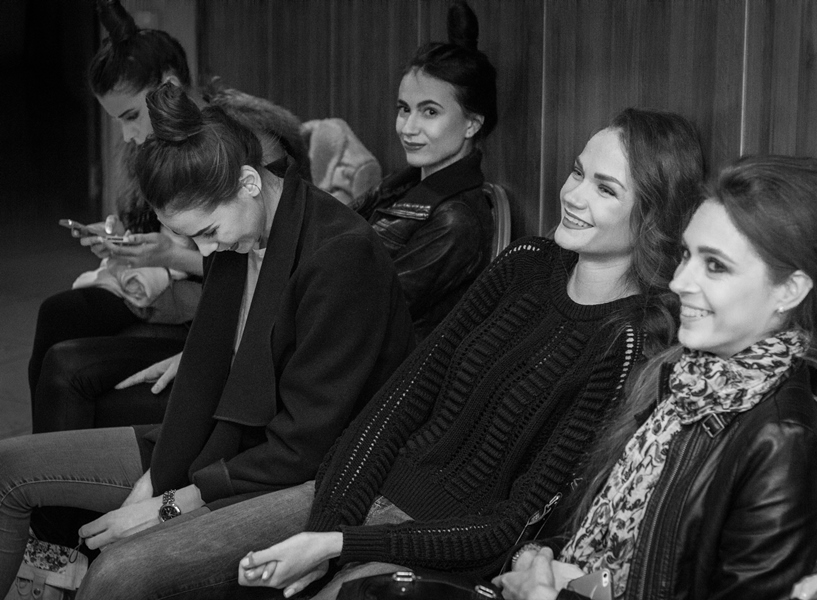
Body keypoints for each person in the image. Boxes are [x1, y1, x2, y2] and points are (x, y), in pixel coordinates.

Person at [72, 106, 706, 600]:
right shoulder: (525, 264)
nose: (574, 194)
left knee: (128, 578)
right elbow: (397, 403)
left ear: (652, 216)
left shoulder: (625, 341)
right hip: (355, 490)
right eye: (576, 172)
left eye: (605, 188)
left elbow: (511, 526)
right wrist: (329, 525)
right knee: (120, 573)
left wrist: (339, 547)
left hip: (435, 545)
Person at [0, 82, 415, 596]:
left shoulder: (341, 256)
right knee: (9, 468)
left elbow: (302, 446)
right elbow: (202, 370)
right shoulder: (239, 234)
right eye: (190, 237)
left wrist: (169, 505)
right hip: (230, 441)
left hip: (312, 473)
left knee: (116, 574)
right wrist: (157, 478)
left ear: (249, 182)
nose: (203, 250)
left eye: (208, 231)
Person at [493, 154, 817, 600]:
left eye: (716, 265)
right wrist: (537, 560)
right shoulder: (682, 376)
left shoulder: (785, 440)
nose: (680, 281)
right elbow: (593, 534)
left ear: (789, 290)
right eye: (687, 254)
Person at [28, 0, 312, 432]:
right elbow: (153, 227)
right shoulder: (149, 149)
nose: (128, 136)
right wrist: (118, 238)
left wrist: (171, 257)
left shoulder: (245, 145)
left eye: (131, 116)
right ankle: (40, 464)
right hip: (174, 290)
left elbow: (264, 268)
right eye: (117, 121)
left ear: (169, 85)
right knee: (58, 315)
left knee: (66, 367)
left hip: (222, 304)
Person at [353, 0, 498, 340]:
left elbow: (367, 312)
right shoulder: (401, 184)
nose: (408, 128)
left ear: (472, 124)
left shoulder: (456, 221)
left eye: (430, 112)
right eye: (404, 109)